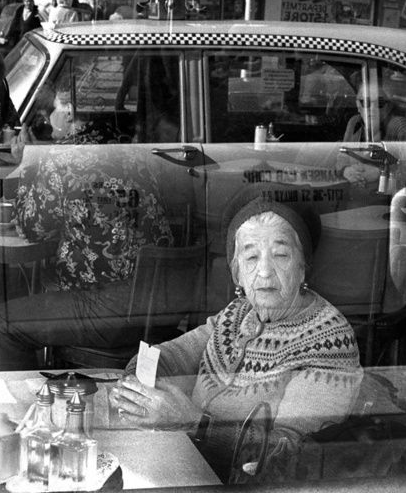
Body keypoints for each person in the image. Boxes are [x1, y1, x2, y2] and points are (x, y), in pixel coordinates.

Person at [109, 197, 363, 482]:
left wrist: (193, 422)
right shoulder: (239, 312)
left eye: (281, 255)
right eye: (251, 258)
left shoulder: (329, 340)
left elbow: (287, 456)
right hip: (192, 466)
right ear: (237, 273)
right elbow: (169, 355)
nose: (264, 271)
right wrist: (133, 385)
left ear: (303, 267)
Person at [0, 145, 174, 370]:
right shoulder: (138, 152)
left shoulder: (62, 157)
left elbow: (31, 227)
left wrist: (29, 162)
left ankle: (29, 394)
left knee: (2, 323)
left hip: (113, 312)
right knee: (44, 290)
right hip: (161, 308)